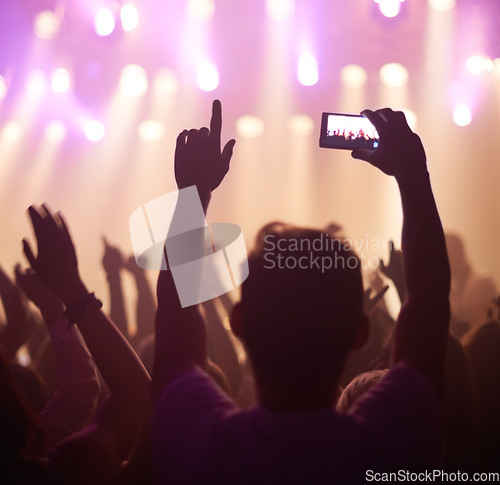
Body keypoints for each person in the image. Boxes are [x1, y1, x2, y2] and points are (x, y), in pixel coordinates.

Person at [152, 101, 450, 483]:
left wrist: (193, 194)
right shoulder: (390, 444)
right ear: (360, 333)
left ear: (238, 322)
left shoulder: (201, 443)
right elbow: (429, 302)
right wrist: (412, 174)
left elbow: (175, 319)